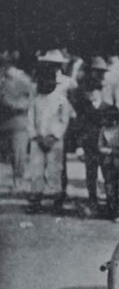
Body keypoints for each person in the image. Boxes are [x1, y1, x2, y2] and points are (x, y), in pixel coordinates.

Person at [27, 67, 72, 213]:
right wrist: (37, 136)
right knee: (36, 170)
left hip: (55, 141)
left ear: (54, 81)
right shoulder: (35, 99)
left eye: (50, 80)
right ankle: (36, 200)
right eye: (43, 80)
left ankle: (56, 201)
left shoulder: (61, 100)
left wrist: (54, 137)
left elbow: (64, 120)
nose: (46, 83)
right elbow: (30, 119)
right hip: (37, 140)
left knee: (55, 170)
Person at [0, 51, 34, 194]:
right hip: (3, 121)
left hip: (18, 122)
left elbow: (30, 100)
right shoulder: (1, 79)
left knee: (18, 153)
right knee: (7, 153)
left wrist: (13, 105)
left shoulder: (23, 79)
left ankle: (18, 182)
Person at [74, 78, 108, 215]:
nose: (90, 94)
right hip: (90, 147)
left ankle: (110, 203)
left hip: (105, 148)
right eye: (88, 92)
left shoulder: (108, 108)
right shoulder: (83, 109)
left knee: (107, 176)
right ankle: (92, 202)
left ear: (100, 91)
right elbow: (79, 129)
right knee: (91, 176)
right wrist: (79, 146)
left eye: (93, 91)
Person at [98, 104, 119, 219]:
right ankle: (111, 208)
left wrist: (118, 151)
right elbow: (100, 146)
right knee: (109, 184)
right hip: (107, 160)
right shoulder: (103, 130)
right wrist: (109, 151)